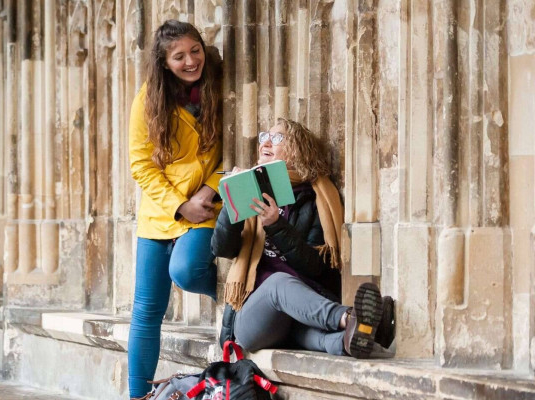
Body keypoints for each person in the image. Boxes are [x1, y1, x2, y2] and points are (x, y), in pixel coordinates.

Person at [212, 118, 396, 359]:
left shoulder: (314, 201)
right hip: (255, 319)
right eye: (264, 136)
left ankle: (362, 337)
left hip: (300, 311)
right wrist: (233, 197)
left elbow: (316, 267)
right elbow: (221, 248)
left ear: (297, 150)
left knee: (324, 340)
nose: (265, 142)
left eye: (277, 138)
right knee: (278, 283)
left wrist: (277, 226)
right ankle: (350, 317)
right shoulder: (250, 198)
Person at [127, 20, 223, 399]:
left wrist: (209, 190)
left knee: (184, 270)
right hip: (163, 211)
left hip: (205, 207)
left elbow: (231, 150)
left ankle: (243, 292)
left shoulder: (218, 86)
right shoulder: (149, 97)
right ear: (164, 62)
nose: (189, 61)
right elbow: (141, 164)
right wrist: (179, 204)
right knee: (147, 310)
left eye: (194, 50)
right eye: (178, 56)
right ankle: (138, 396)